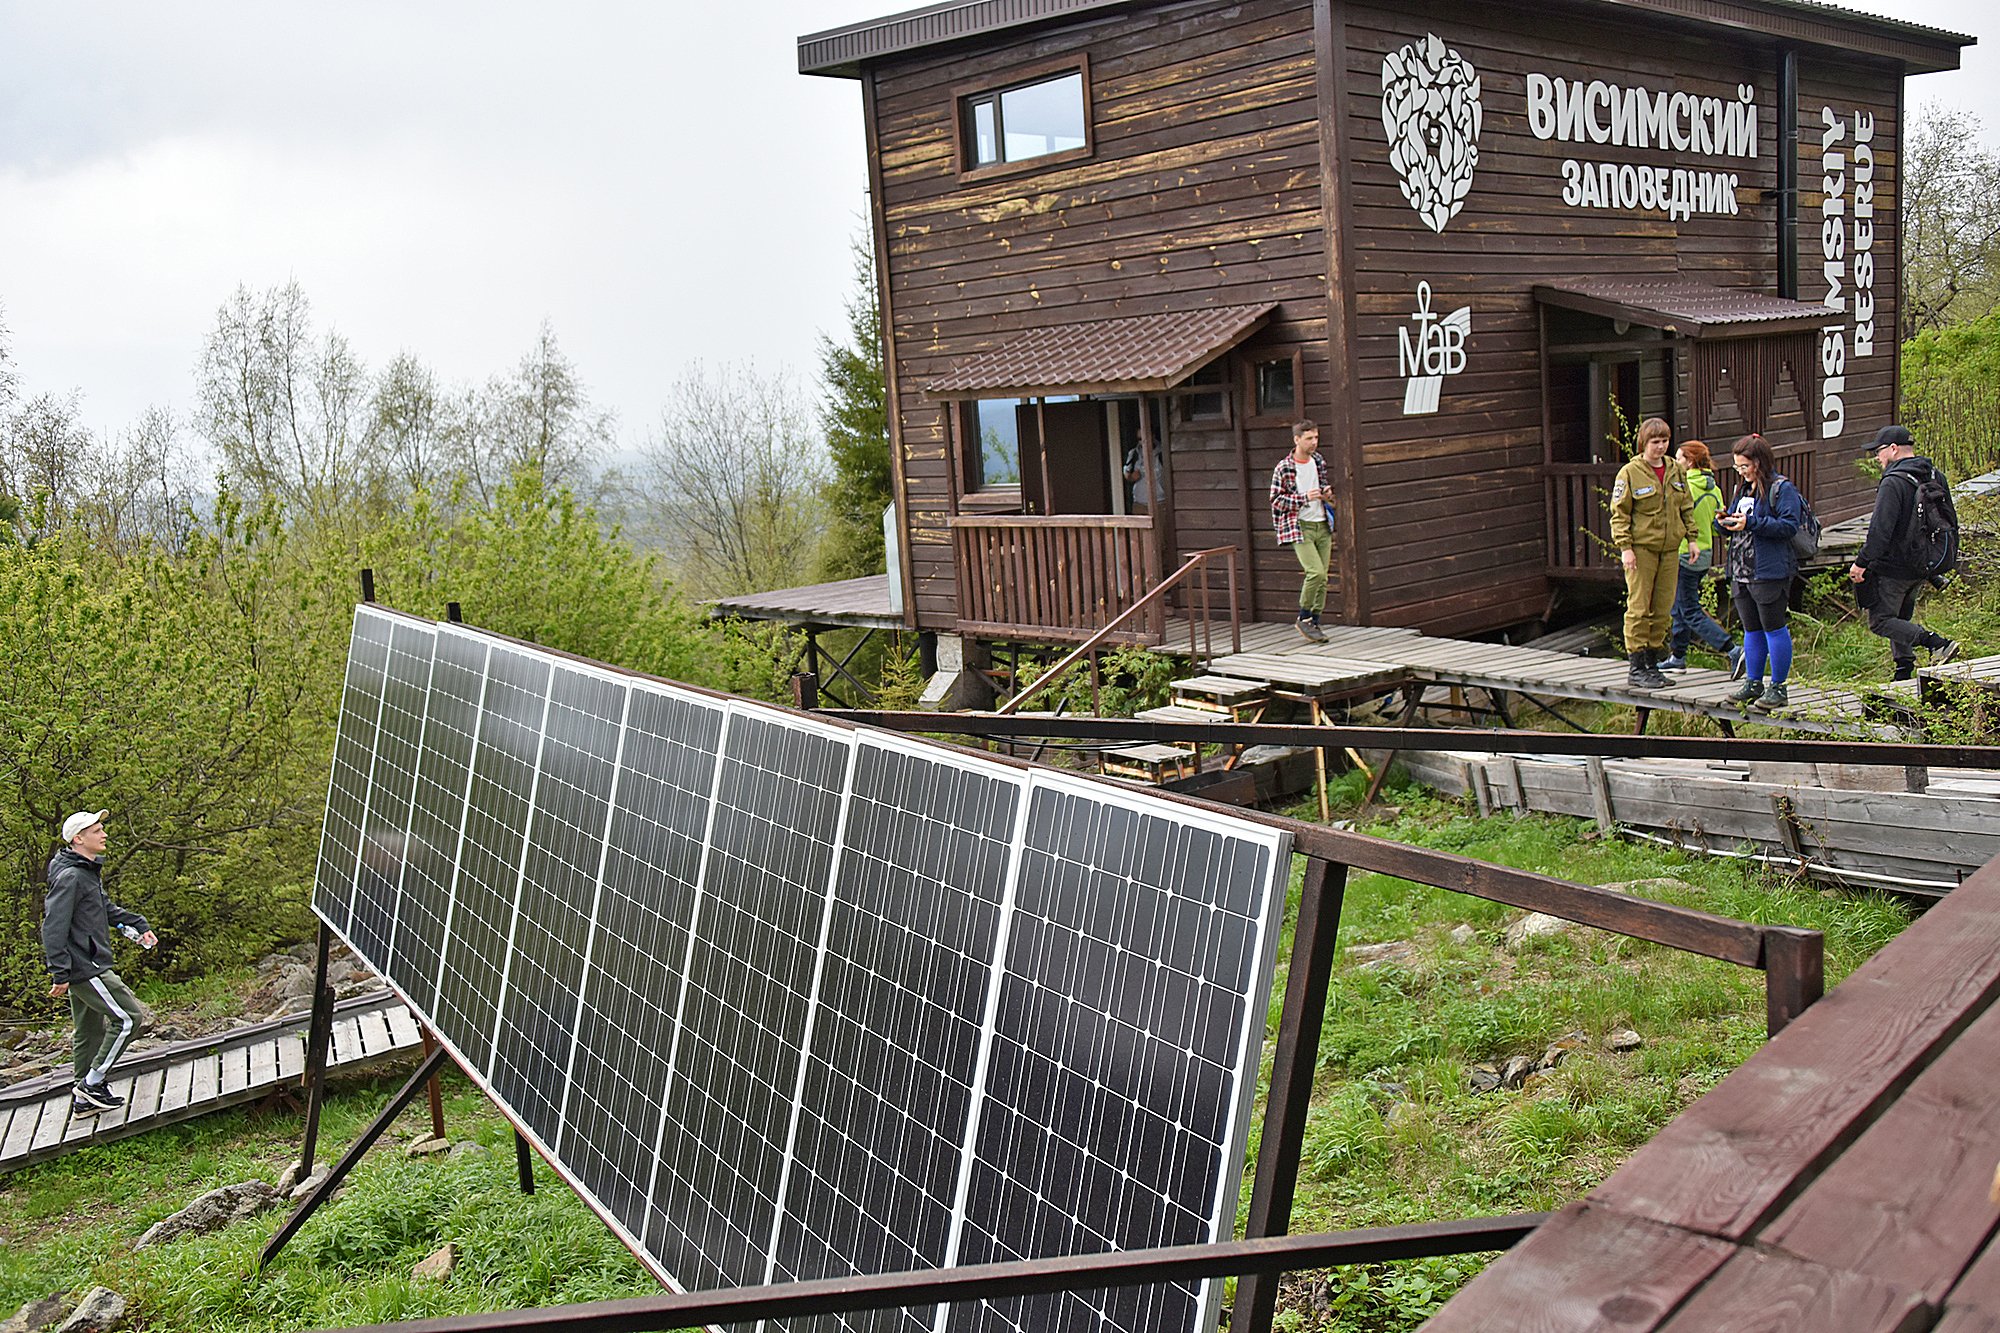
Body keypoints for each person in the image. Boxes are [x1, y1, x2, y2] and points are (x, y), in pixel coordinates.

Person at [43, 810, 156, 1117]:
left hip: (86, 963)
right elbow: (53, 926)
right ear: (79, 839)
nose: (104, 834)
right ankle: (93, 1083)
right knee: (130, 1018)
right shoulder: (71, 876)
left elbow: (103, 908)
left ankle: (83, 1100)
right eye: (97, 830)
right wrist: (60, 971)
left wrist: (137, 923)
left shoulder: (85, 870)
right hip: (85, 967)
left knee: (89, 1030)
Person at [1847, 423, 1959, 680]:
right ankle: (1903, 669)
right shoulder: (1934, 475)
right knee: (1901, 618)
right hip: (1922, 563)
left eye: (1878, 451)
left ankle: (1936, 643)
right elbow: (1950, 520)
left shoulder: (1893, 481)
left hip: (1894, 567)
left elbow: (1881, 529)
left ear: (1894, 449)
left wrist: (1861, 562)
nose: (1876, 457)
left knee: (1881, 621)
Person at [1718, 434, 1805, 712]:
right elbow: (1736, 521)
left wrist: (1752, 523)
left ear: (1758, 462)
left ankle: (1778, 687)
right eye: (1737, 467)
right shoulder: (1742, 490)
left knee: (1774, 627)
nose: (1741, 472)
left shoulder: (1782, 489)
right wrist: (1723, 522)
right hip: (1742, 570)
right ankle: (1753, 682)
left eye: (1744, 466)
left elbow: (1789, 526)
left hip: (1770, 570)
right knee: (1751, 628)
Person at [1609, 417, 1697, 689]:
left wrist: (1692, 539)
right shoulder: (1630, 473)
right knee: (1639, 606)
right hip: (1642, 549)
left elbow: (1686, 506)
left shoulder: (1675, 470)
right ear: (1643, 443)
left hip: (1670, 548)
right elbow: (1619, 514)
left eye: (1665, 441)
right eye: (1655, 442)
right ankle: (1636, 666)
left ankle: (1652, 662)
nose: (1661, 447)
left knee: (1662, 607)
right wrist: (1625, 548)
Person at [1659, 440, 1741, 675]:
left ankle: (1732, 649)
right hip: (1705, 555)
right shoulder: (1714, 489)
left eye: (1679, 458)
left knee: (1690, 610)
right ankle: (1677, 656)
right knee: (1680, 607)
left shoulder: (1684, 488)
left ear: (1690, 461)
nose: (1675, 462)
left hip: (1684, 554)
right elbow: (1717, 527)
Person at [1270, 419, 1333, 642]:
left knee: (1323, 577)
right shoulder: (1284, 467)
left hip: (1323, 523)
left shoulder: (1318, 460)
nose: (1314, 442)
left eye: (1316, 437)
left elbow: (1322, 484)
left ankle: (1314, 622)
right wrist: (1304, 498)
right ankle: (1303, 617)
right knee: (1314, 572)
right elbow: (1276, 500)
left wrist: (1326, 492)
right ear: (1297, 440)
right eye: (1309, 438)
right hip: (1299, 526)